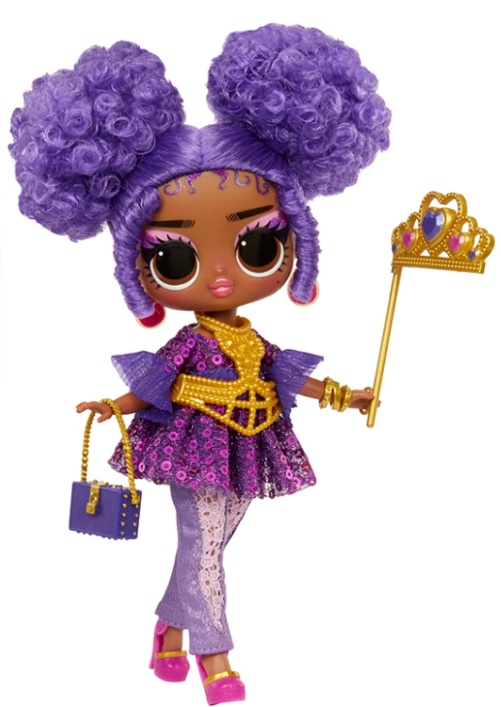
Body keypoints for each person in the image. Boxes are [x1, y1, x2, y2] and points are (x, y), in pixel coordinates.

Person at [9, 24, 390, 705]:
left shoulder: (250, 337)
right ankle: (216, 658)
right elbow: (156, 383)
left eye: (256, 245)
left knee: (204, 547)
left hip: (252, 443)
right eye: (175, 258)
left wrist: (343, 395)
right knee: (205, 547)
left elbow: (283, 374)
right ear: (137, 262)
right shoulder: (191, 343)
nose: (218, 277)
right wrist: (114, 405)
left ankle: (166, 628)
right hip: (194, 445)